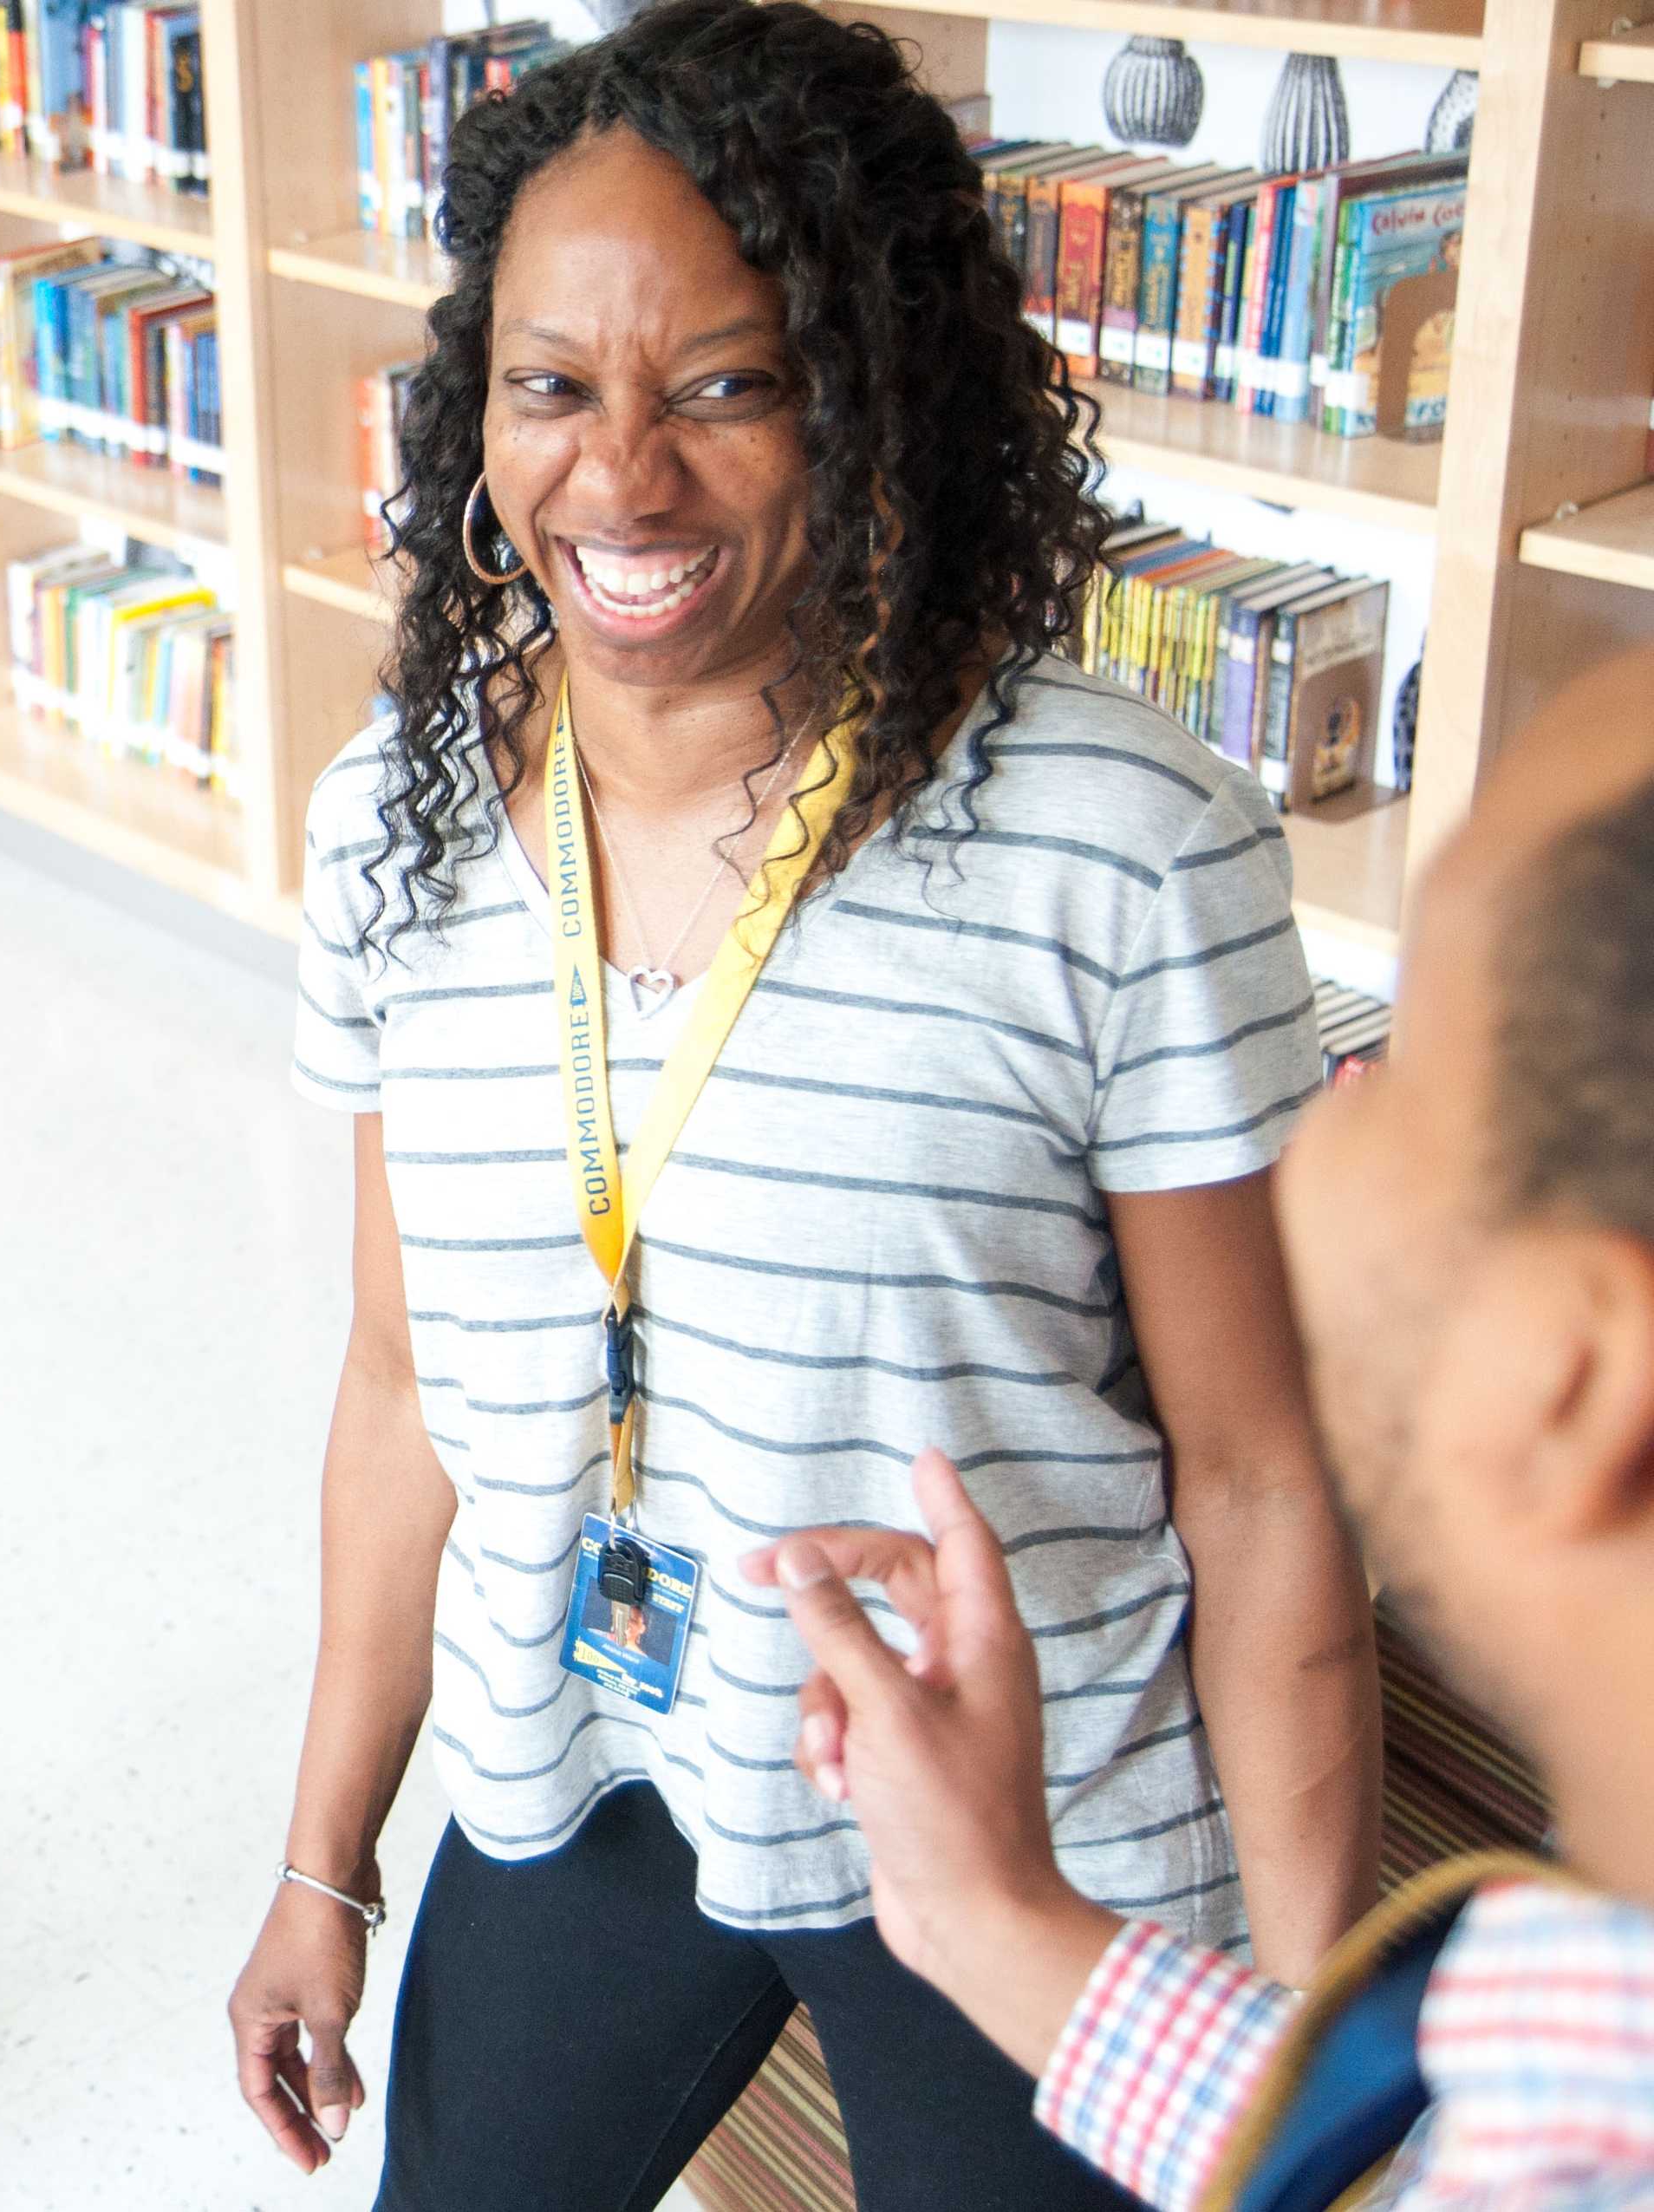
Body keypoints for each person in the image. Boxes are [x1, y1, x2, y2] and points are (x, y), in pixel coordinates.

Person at [230, 4, 1382, 2204]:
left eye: (729, 386)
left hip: (1015, 1819)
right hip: (599, 1753)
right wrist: (323, 1867)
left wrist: (1306, 2065)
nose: (625, 477)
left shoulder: (1118, 843)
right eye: (554, 388)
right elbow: (401, 1394)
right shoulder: (398, 820)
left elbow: (1251, 1485)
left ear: (872, 398)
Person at [757, 653, 1654, 2209]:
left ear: (1570, 1379)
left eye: (1404, 1065)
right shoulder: (1574, 2001)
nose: (1330, 1100)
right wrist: (997, 1913)